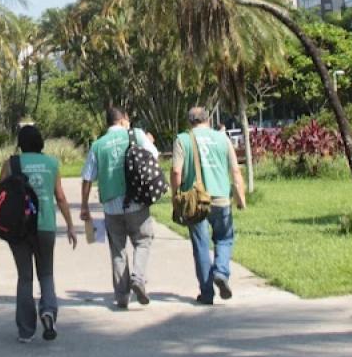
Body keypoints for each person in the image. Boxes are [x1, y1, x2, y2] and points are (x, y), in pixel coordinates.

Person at [0, 123, 77, 343]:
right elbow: (60, 197)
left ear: (20, 144)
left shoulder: (11, 163)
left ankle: (25, 330)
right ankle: (49, 311)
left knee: (24, 277)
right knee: (46, 273)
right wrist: (70, 226)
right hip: (45, 226)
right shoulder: (52, 163)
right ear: (41, 142)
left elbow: (2, 194)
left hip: (19, 228)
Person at [80, 106, 157, 309]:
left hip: (111, 206)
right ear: (123, 120)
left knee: (117, 250)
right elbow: (154, 156)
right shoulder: (136, 135)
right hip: (136, 202)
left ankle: (122, 296)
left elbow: (87, 178)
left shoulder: (97, 145)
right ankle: (138, 278)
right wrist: (149, 142)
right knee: (142, 241)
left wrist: (84, 206)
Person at [171, 106, 246, 305]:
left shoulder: (183, 140)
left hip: (196, 202)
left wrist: (175, 195)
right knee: (224, 238)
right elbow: (236, 172)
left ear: (189, 122)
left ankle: (206, 293)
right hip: (221, 198)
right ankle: (221, 272)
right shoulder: (223, 139)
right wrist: (240, 198)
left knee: (201, 246)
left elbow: (176, 172)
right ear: (208, 120)